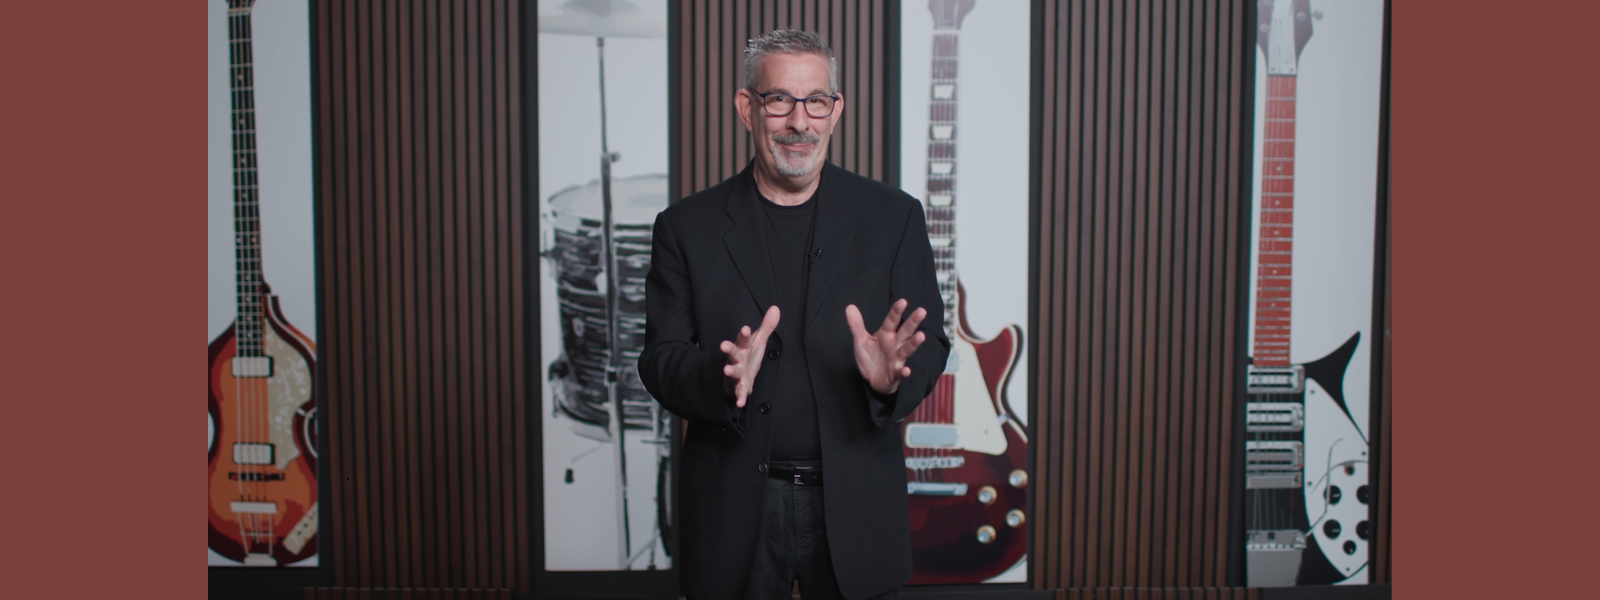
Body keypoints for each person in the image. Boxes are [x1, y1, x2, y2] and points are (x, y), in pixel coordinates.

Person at [638, 29, 950, 600]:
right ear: (746, 108)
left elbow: (929, 344)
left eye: (816, 101)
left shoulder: (894, 217)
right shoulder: (686, 227)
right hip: (734, 508)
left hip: (855, 503)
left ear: (837, 111)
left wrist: (888, 383)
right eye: (779, 99)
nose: (799, 122)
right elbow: (659, 358)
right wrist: (721, 375)